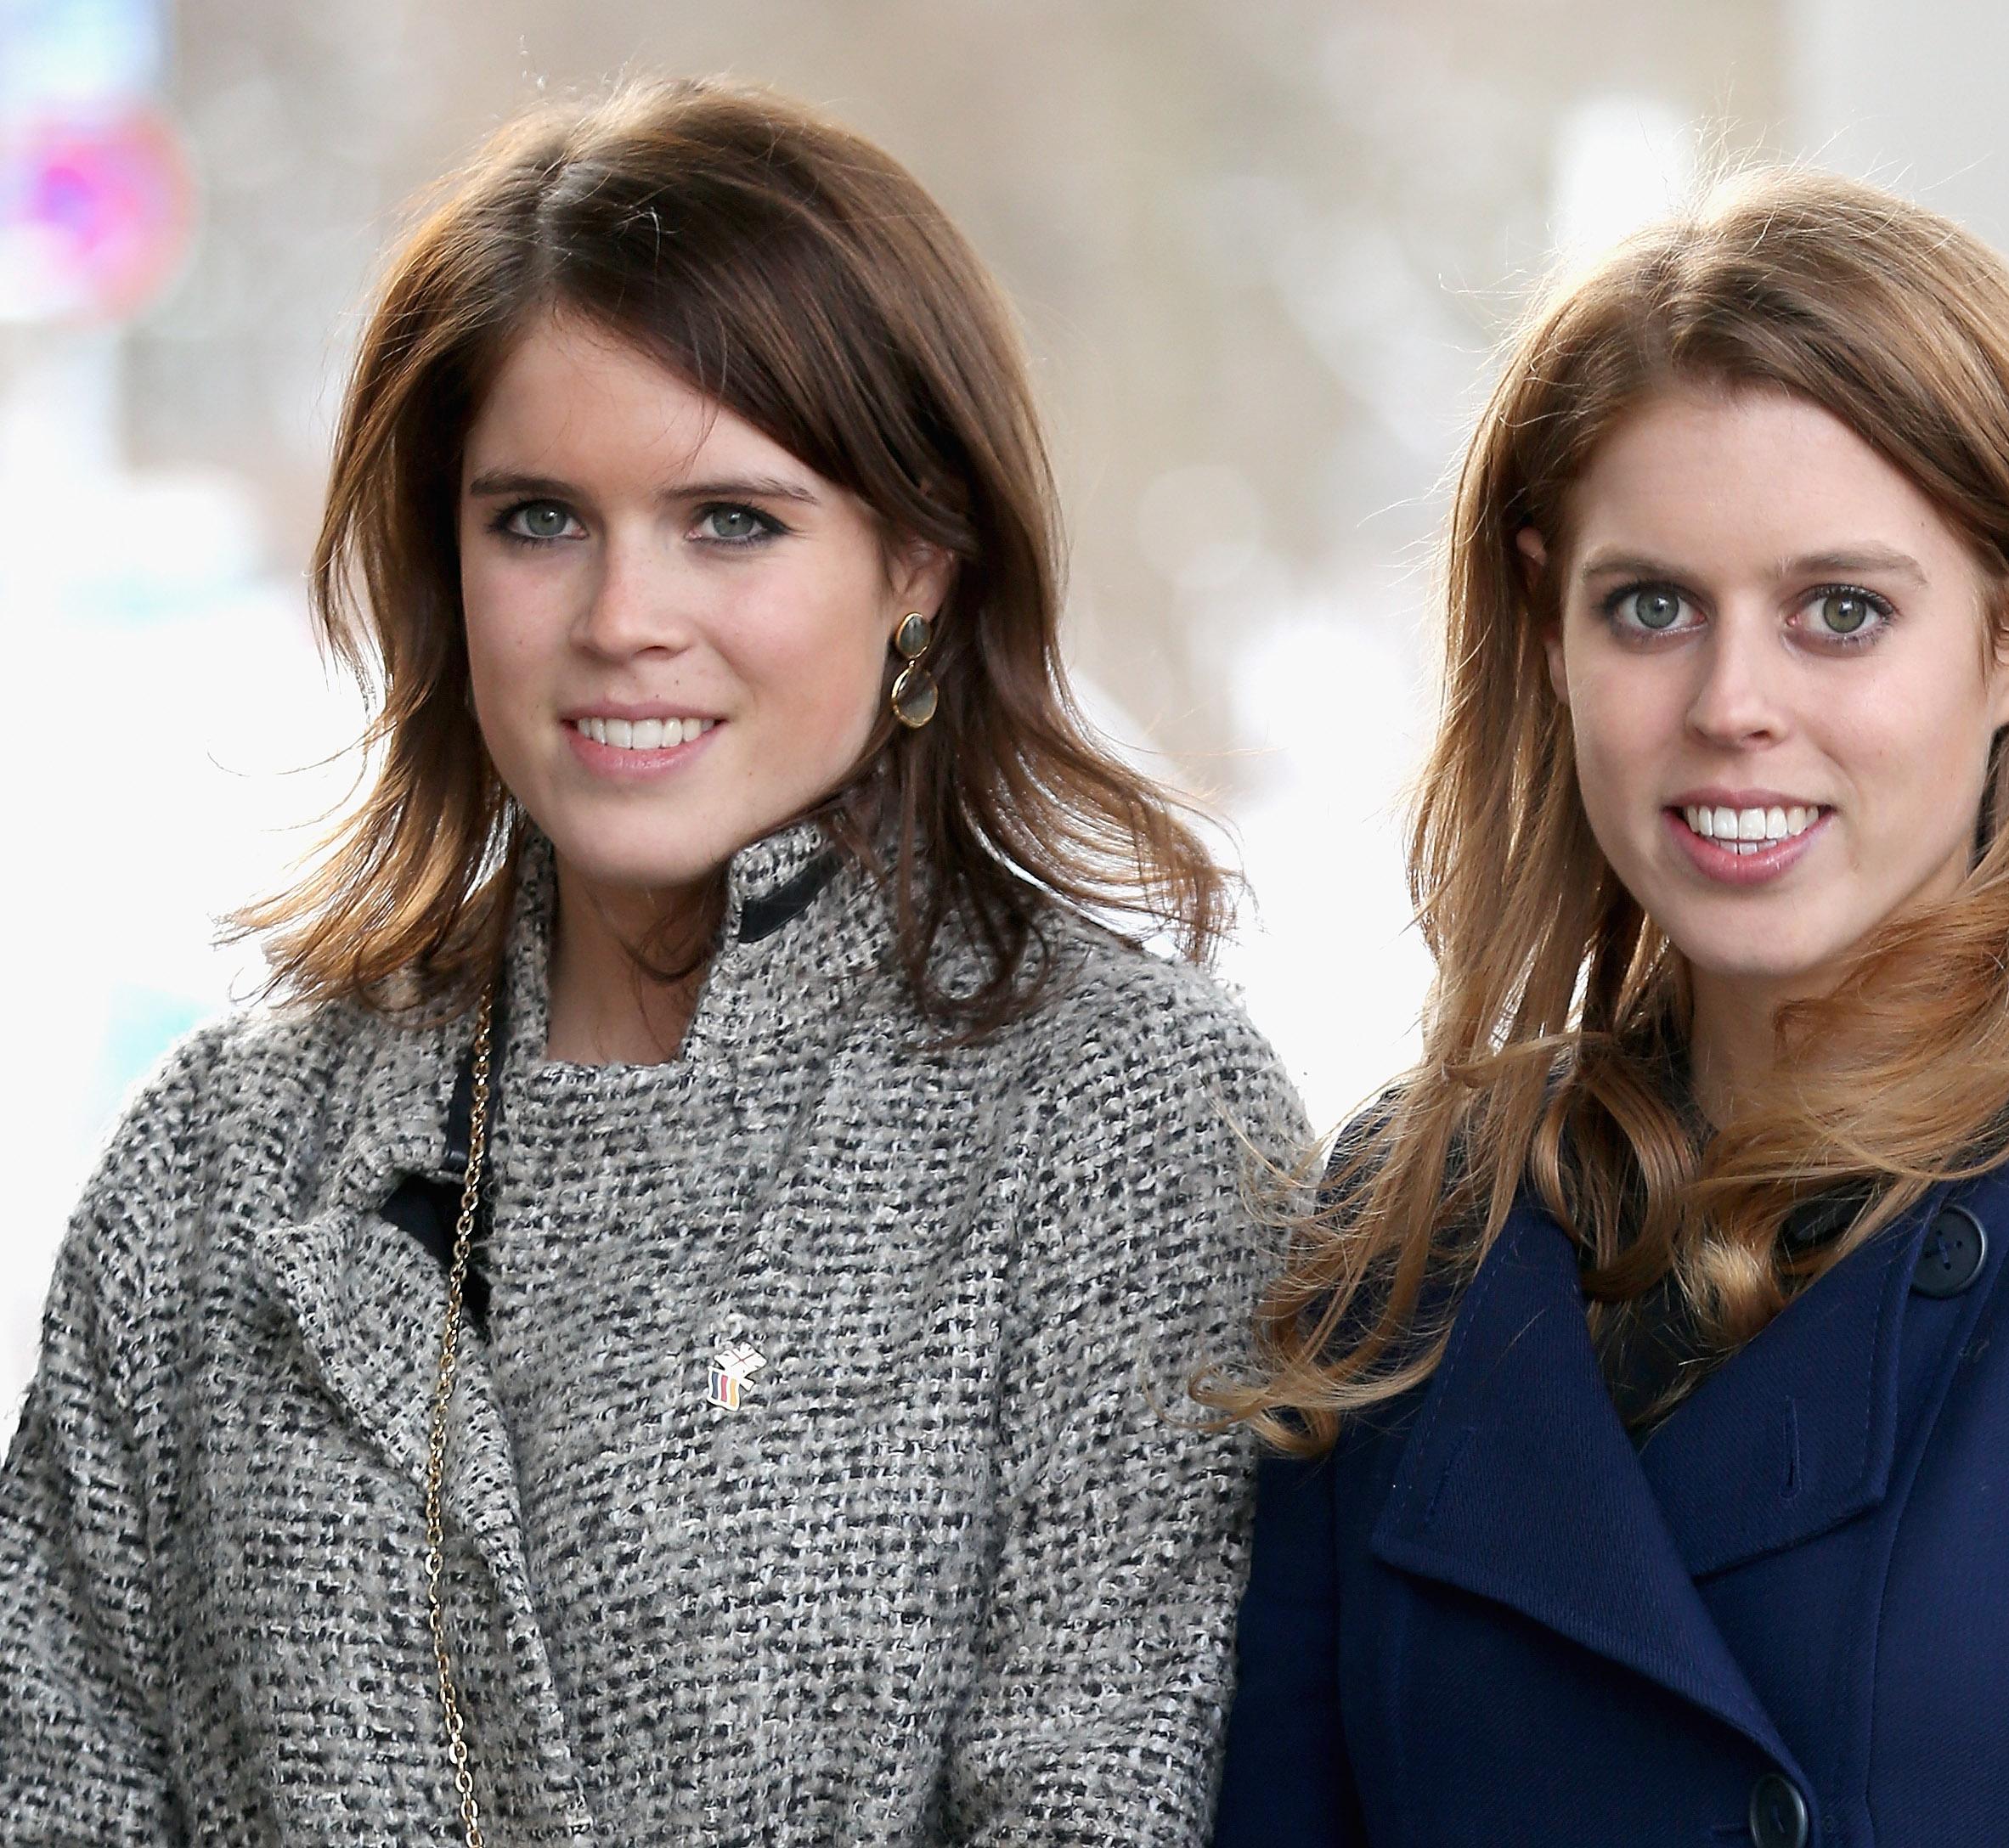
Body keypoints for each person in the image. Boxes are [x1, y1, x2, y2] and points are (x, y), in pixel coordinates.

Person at [0, 76, 1302, 1846]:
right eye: (538, 516)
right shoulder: (220, 1158)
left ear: (919, 557)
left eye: (734, 520)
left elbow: (1112, 1799)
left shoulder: (1124, 1116)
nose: (623, 619)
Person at [1207, 167, 2009, 1848]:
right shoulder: (1418, 1203)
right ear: (1548, 629)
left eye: (1842, 611)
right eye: (1651, 606)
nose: (1732, 704)